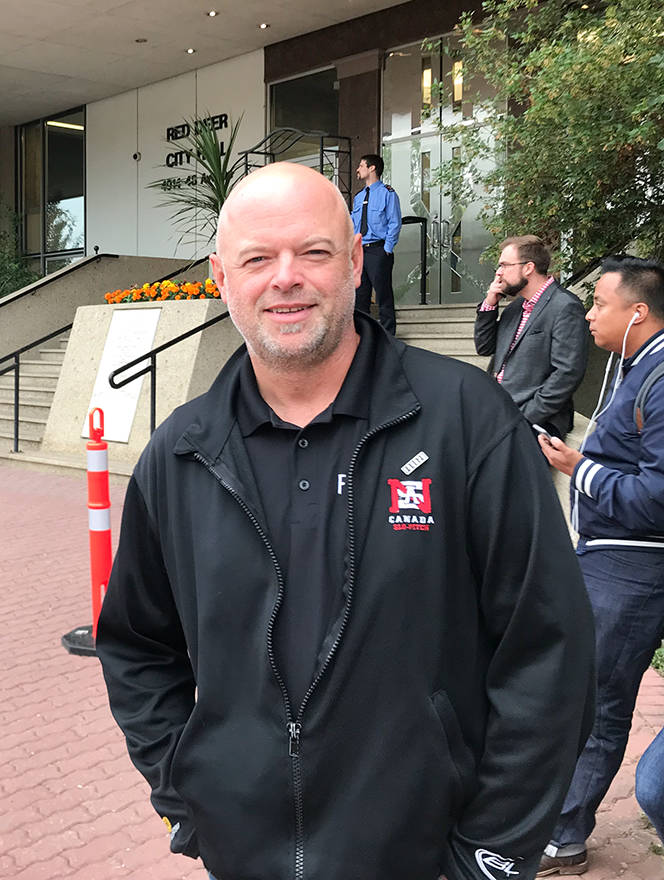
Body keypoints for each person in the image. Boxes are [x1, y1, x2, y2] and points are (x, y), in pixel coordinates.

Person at [96, 162, 594, 880]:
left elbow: (550, 652)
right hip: (245, 856)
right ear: (221, 277)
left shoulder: (466, 424)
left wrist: (489, 853)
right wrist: (187, 796)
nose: (285, 277)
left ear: (357, 262)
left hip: (429, 858)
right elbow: (138, 646)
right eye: (258, 259)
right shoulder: (180, 453)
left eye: (315, 252)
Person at [536, 256, 664, 875]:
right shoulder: (636, 368)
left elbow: (658, 495)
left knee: (599, 702)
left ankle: (563, 834)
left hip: (635, 567)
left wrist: (577, 469)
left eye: (599, 304)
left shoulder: (660, 376)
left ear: (636, 311)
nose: (588, 314)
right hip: (612, 558)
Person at [474, 235, 589, 438]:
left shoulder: (565, 306)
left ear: (528, 268)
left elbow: (567, 373)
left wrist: (525, 416)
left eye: (504, 265)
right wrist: (490, 303)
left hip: (538, 418)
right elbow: (484, 347)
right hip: (499, 407)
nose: (498, 273)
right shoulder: (515, 307)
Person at [350, 153, 401, 334]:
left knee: (383, 293)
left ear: (372, 168)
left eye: (361, 165)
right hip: (360, 252)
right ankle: (362, 334)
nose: (358, 169)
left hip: (378, 250)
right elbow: (353, 224)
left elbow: (394, 222)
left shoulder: (387, 193)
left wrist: (387, 248)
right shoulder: (358, 197)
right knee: (360, 295)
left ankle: (388, 334)